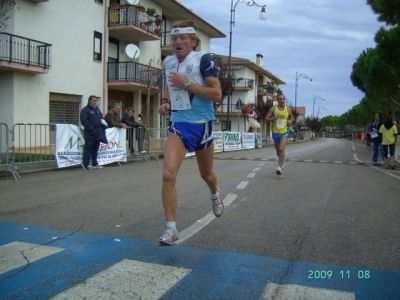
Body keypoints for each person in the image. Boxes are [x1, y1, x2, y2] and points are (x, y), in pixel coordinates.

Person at [158, 20, 223, 245]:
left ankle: (215, 193)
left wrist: (188, 85)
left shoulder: (204, 60)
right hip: (178, 123)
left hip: (201, 124)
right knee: (168, 174)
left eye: (182, 38)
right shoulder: (168, 62)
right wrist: (166, 101)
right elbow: (168, 84)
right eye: (174, 38)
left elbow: (216, 95)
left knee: (206, 175)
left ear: (192, 42)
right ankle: (171, 228)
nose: (177, 42)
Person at [265, 94, 294, 175]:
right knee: (278, 152)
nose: (282, 100)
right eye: (280, 99)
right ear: (277, 100)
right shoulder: (274, 109)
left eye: (283, 99)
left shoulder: (287, 109)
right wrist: (273, 118)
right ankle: (282, 159)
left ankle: (279, 167)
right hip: (275, 133)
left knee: (281, 149)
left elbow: (292, 117)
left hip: (284, 132)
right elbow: (266, 119)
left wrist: (290, 121)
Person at [79, 95, 108, 170]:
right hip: (90, 133)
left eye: (96, 101)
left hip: (98, 133)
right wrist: (91, 128)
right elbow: (84, 121)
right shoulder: (85, 110)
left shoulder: (97, 110)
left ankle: (95, 163)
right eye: (94, 100)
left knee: (95, 149)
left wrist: (104, 125)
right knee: (88, 149)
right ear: (89, 101)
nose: (95, 102)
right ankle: (86, 164)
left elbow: (101, 118)